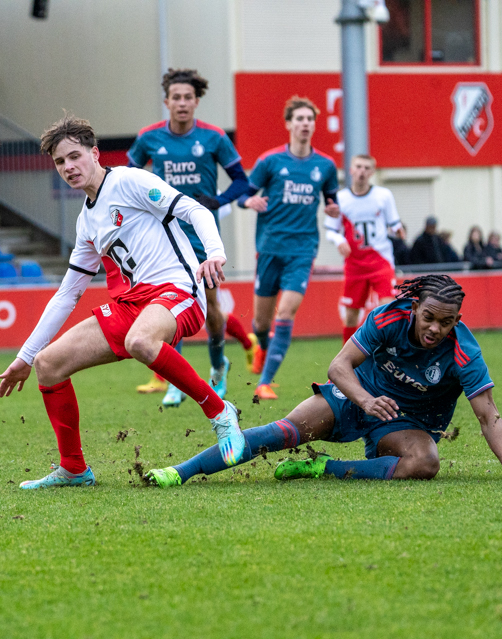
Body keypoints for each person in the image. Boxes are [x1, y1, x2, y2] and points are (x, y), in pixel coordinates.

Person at [0, 114, 245, 489]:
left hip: (178, 290)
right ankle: (74, 469)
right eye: (60, 162)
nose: (68, 167)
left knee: (140, 341)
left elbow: (194, 210)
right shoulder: (86, 223)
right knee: (49, 365)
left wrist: (214, 252)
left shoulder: (129, 180)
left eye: (74, 156)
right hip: (133, 304)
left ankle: (220, 412)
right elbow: (68, 294)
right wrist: (25, 357)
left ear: (95, 153)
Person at [144, 274, 502, 487]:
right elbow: (339, 366)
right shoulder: (389, 316)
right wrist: (365, 399)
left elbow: (489, 416)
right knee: (280, 432)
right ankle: (180, 471)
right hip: (352, 396)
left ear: (457, 322)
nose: (434, 329)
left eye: (446, 323)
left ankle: (325, 468)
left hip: (406, 424)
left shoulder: (463, 351)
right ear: (415, 307)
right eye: (429, 318)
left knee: (425, 463)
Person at [127, 68, 257, 405]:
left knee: (211, 304)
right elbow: (126, 179)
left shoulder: (213, 138)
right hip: (164, 237)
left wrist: (219, 200)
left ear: (196, 101)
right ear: (166, 102)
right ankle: (175, 380)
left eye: (188, 98)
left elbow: (242, 182)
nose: (182, 103)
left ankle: (217, 368)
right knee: (166, 304)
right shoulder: (149, 138)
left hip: (201, 235)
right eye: (176, 98)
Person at [238, 96, 340, 400]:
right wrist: (248, 201)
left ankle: (265, 382)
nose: (305, 123)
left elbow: (332, 199)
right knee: (262, 322)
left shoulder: (325, 165)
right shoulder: (270, 161)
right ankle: (261, 349)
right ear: (289, 124)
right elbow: (244, 192)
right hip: (269, 248)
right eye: (300, 119)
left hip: (302, 250)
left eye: (310, 119)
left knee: (286, 314)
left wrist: (334, 208)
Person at [324, 154, 405, 344]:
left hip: (381, 262)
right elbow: (330, 230)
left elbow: (394, 222)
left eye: (366, 168)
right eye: (358, 167)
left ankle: (389, 356)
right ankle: (346, 359)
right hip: (355, 265)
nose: (362, 171)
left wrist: (398, 229)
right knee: (351, 316)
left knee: (388, 308)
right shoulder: (340, 199)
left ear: (372, 172)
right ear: (350, 170)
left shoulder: (383, 196)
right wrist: (338, 240)